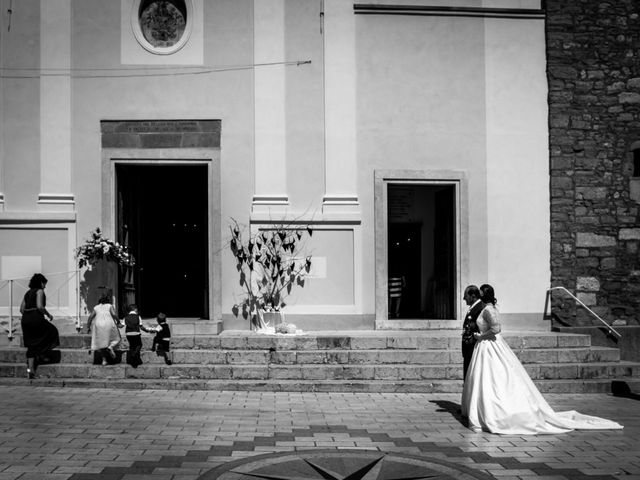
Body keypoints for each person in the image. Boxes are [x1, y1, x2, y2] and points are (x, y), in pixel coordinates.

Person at [461, 284, 623, 434]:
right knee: (484, 378)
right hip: (484, 347)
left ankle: (493, 412)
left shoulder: (489, 310)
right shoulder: (487, 309)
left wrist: (480, 335)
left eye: (480, 294)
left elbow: (496, 329)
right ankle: (481, 409)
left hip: (489, 345)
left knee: (495, 378)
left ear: (484, 295)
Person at [20, 273, 60, 379]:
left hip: (25, 319)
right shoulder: (40, 291)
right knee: (52, 331)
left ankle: (31, 370)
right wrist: (48, 314)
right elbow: (39, 306)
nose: (45, 286)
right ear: (41, 283)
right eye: (44, 284)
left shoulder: (27, 293)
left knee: (31, 344)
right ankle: (41, 354)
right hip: (35, 317)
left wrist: (28, 315)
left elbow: (21, 309)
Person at [86, 293, 121, 366]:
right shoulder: (109, 306)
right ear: (108, 300)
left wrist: (88, 326)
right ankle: (110, 347)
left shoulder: (96, 307)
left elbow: (90, 317)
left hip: (98, 325)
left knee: (101, 344)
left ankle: (104, 361)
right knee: (117, 338)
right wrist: (118, 321)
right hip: (108, 323)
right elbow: (114, 314)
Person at [461, 285, 483, 382]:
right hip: (468, 348)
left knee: (471, 375)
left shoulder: (480, 308)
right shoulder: (473, 307)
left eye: (466, 295)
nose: (464, 298)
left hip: (473, 347)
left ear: (473, 295)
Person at [123, 304, 154, 368]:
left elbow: (121, 325)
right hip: (136, 333)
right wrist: (147, 331)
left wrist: (117, 324)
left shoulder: (125, 317)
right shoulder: (138, 316)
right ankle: (134, 354)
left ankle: (133, 360)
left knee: (131, 346)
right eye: (136, 309)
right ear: (135, 309)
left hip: (128, 334)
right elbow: (141, 327)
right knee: (139, 345)